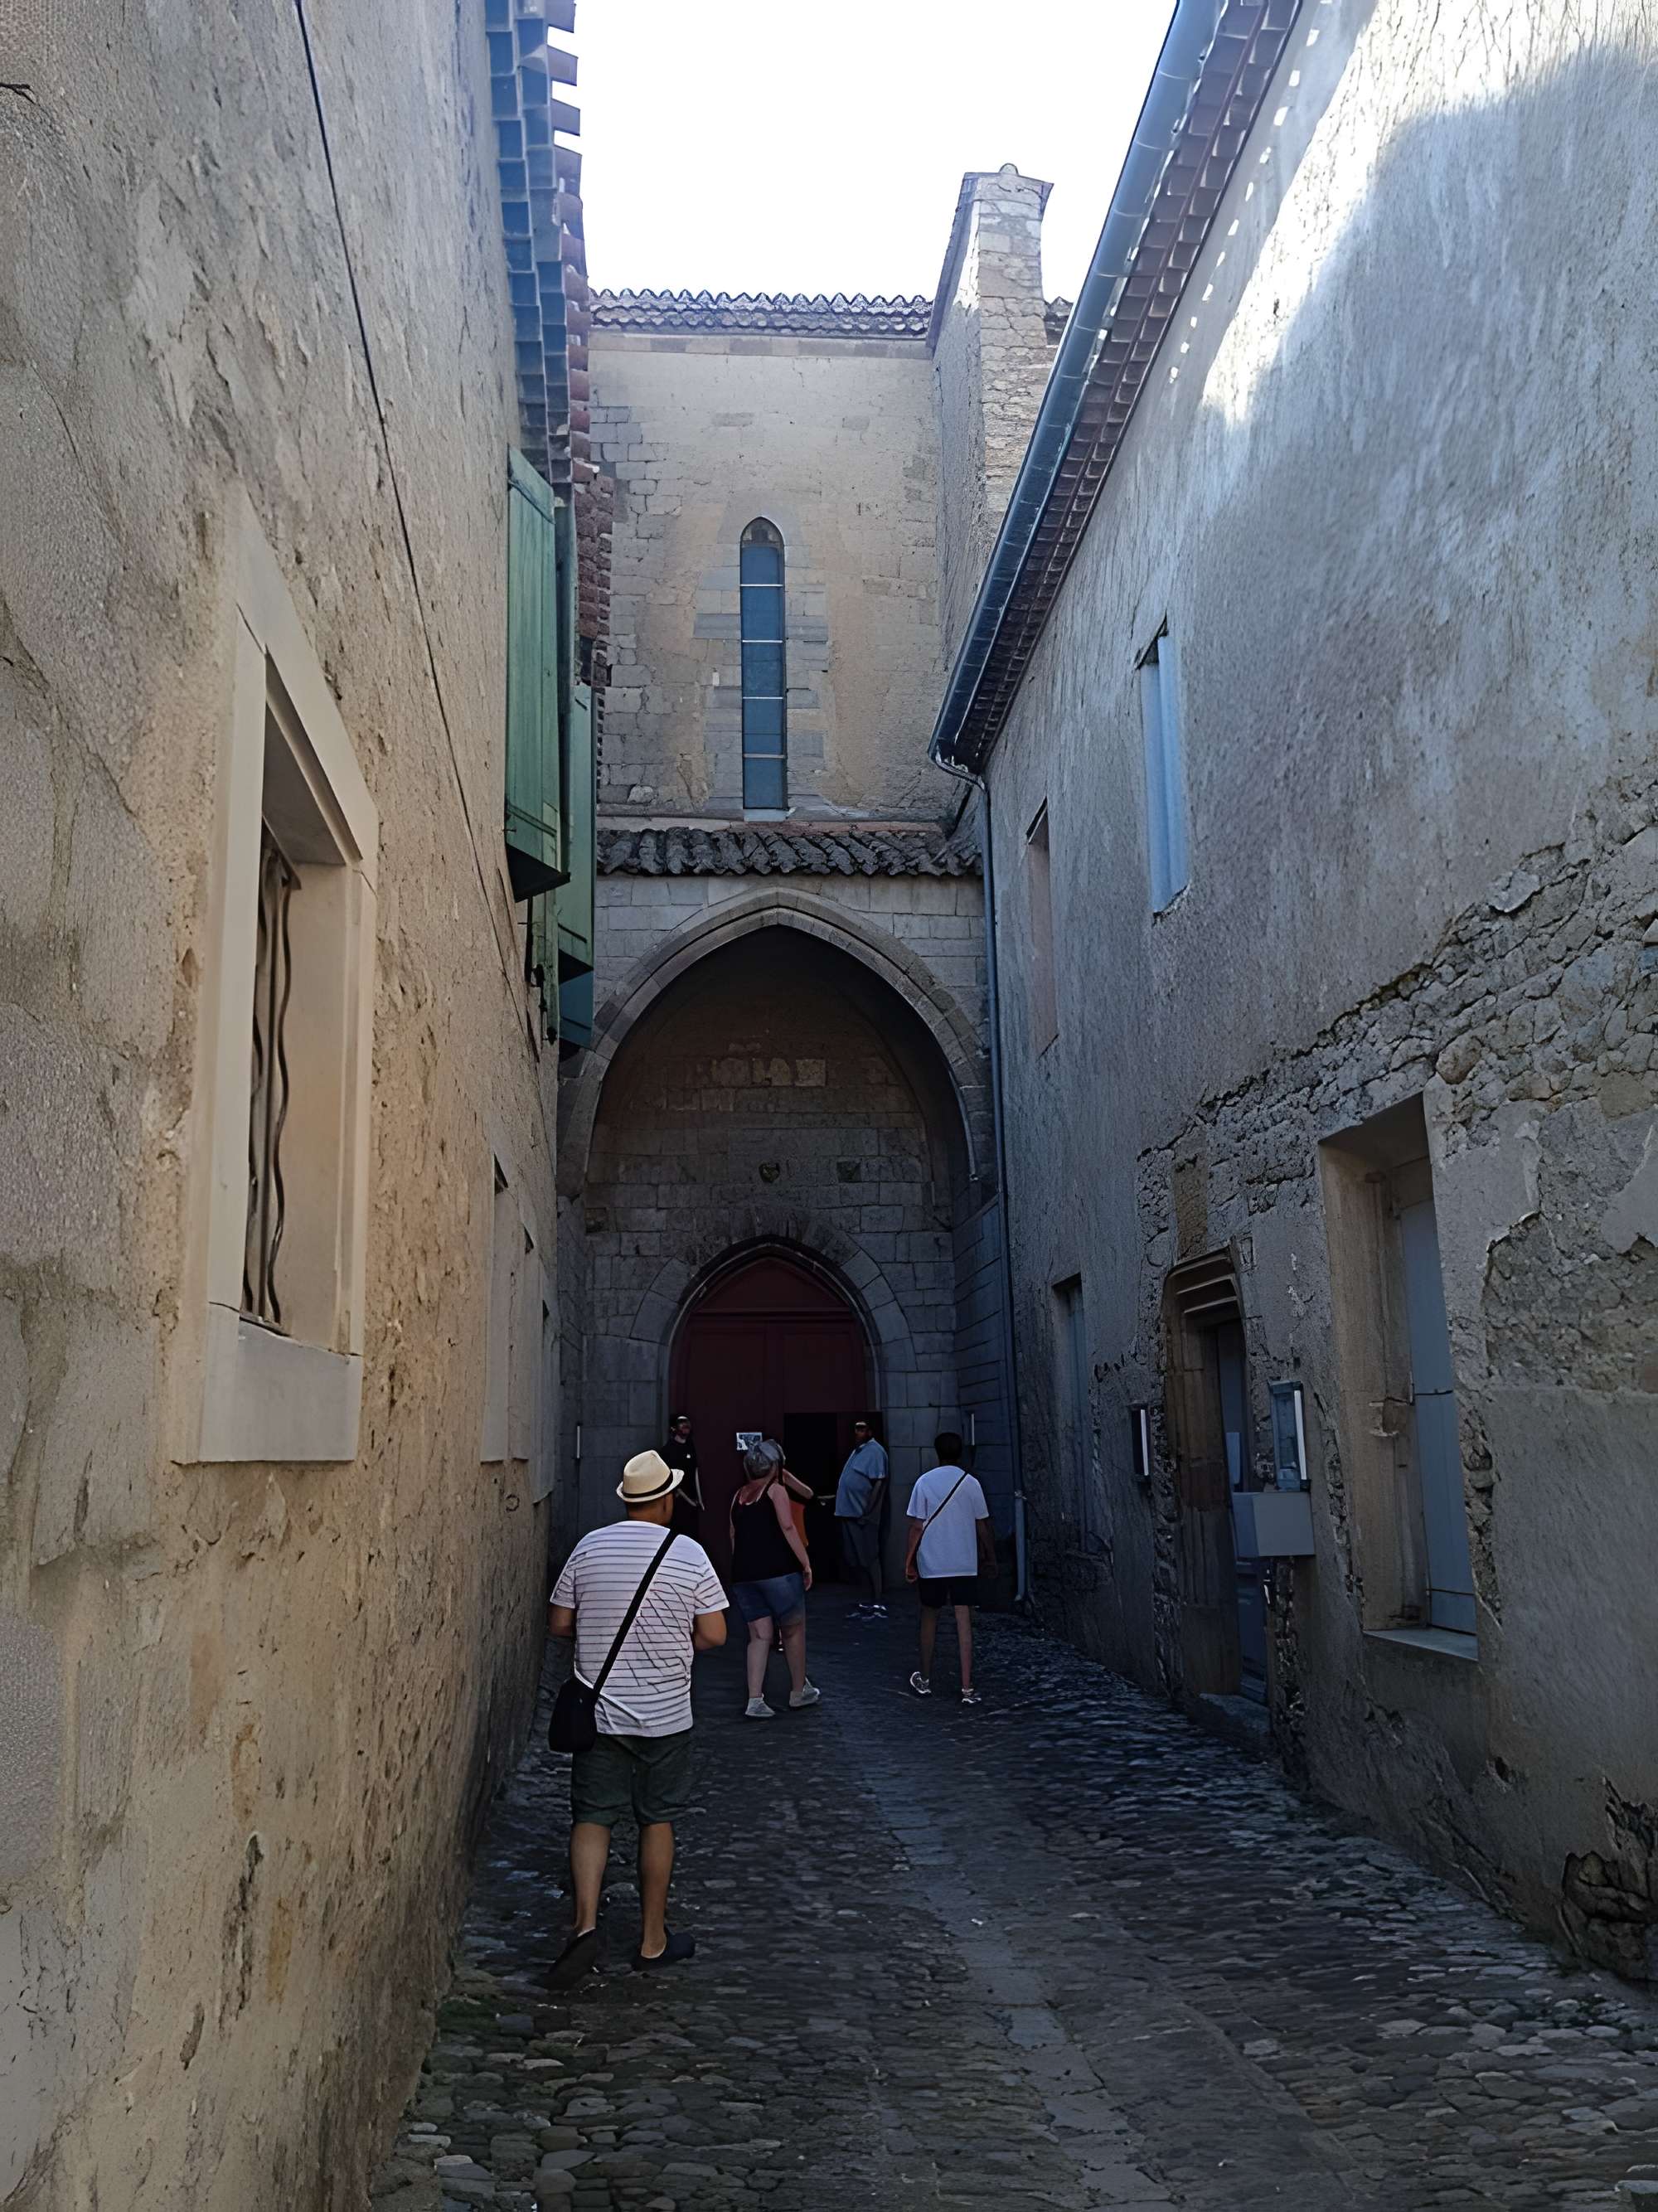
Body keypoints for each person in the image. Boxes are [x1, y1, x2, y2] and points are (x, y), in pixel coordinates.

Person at [545, 1449, 727, 1984]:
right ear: (666, 1500)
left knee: (592, 1815)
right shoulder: (689, 1553)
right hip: (666, 1714)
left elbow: (560, 1623)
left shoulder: (589, 1546)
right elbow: (715, 1634)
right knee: (657, 1819)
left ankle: (584, 1928)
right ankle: (652, 1941)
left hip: (599, 1712)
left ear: (628, 1500)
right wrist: (676, 1648)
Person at [729, 1439, 821, 1718]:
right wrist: (806, 1563)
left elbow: (733, 1535)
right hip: (778, 1572)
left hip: (744, 1575)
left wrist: (741, 1566)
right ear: (774, 1466)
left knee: (759, 1636)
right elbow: (788, 1527)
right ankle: (799, 1691)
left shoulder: (738, 1495)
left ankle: (755, 1700)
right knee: (793, 1631)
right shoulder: (775, 1490)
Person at [904, 1432, 995, 1706]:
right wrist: (990, 1557)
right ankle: (967, 1687)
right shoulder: (971, 1483)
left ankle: (925, 1679)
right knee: (964, 1621)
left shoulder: (924, 1482)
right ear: (960, 1452)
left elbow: (917, 1526)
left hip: (932, 1562)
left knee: (929, 1617)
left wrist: (909, 1560)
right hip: (964, 1562)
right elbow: (982, 1525)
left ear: (937, 1452)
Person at [835, 1415, 889, 1618]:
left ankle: (877, 1601)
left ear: (870, 1431)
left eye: (862, 1428)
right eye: (856, 1428)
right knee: (856, 1558)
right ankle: (866, 1599)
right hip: (849, 1513)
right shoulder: (858, 1451)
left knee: (869, 1557)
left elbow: (879, 1483)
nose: (857, 1432)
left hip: (862, 1515)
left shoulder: (875, 1451)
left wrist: (868, 1512)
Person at [663, 1412, 703, 1540]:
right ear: (674, 1428)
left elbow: (695, 1471)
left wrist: (699, 1499)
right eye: (682, 1422)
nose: (686, 1425)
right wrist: (689, 1500)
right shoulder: (668, 1450)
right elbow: (672, 1480)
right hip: (678, 1503)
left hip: (693, 1503)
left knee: (693, 1536)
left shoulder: (690, 1445)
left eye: (687, 1422)